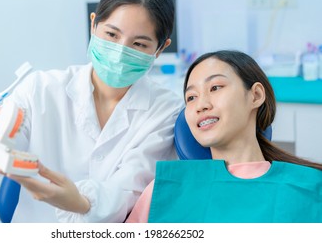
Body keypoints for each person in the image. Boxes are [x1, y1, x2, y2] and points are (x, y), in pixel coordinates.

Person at [0, 0, 184, 223]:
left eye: (139, 45)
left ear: (161, 48)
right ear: (93, 24)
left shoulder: (166, 111)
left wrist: (80, 202)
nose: (120, 52)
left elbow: (129, 193)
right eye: (111, 35)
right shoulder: (40, 90)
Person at [126, 50, 322, 223]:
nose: (200, 105)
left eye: (215, 88)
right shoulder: (164, 190)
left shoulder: (309, 189)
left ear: (255, 96)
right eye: (191, 97)